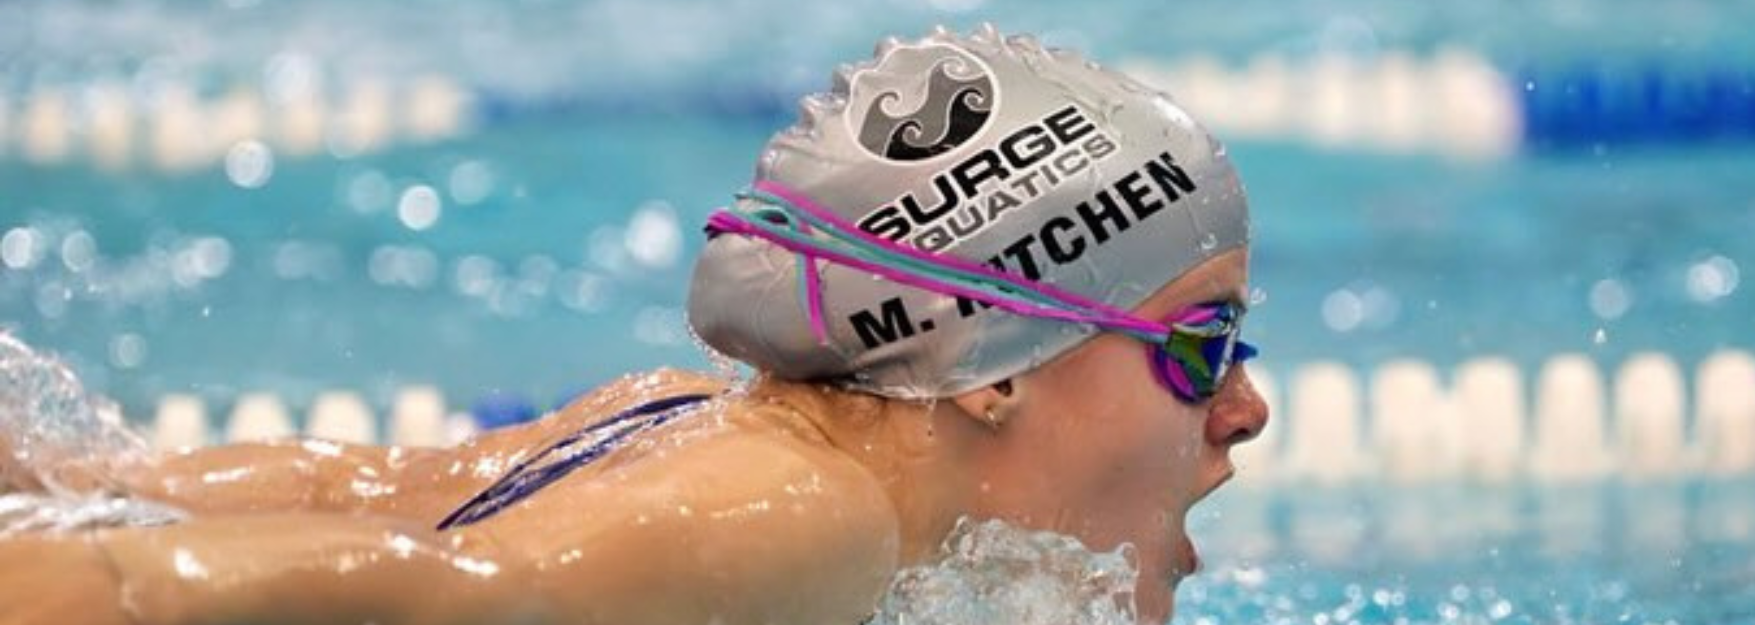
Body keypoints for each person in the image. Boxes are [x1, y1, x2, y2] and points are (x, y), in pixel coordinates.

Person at [0, 24, 1270, 625]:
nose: (1244, 407)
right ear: (991, 366)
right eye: (1200, 345)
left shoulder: (682, 421)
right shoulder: (796, 523)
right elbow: (407, 593)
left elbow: (265, 486)